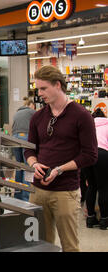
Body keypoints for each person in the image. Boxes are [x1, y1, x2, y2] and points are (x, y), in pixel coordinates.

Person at [24, 65, 98, 252]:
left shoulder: (81, 115)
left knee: (70, 246)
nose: (39, 93)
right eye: (37, 89)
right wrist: (35, 163)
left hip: (65, 192)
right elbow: (29, 149)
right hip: (38, 191)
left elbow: (90, 155)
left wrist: (59, 169)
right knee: (41, 245)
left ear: (58, 85)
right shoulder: (38, 117)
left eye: (43, 88)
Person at [84, 108, 108, 229]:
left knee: (91, 186)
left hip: (87, 155)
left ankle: (90, 218)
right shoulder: (107, 125)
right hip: (103, 154)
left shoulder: (89, 126)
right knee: (103, 188)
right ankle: (104, 220)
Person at [11, 97, 36, 201]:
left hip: (14, 138)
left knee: (19, 166)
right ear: (32, 106)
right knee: (27, 168)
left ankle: (17, 195)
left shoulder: (17, 112)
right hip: (26, 138)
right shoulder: (32, 112)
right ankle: (26, 197)